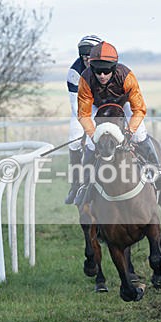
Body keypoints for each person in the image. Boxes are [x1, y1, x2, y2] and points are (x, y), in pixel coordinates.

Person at [75, 41, 161, 204]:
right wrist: (93, 135)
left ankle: (156, 171)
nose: (102, 76)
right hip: (97, 106)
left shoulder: (126, 76)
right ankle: (85, 185)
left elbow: (139, 109)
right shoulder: (85, 79)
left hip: (123, 104)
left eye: (106, 71)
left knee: (140, 134)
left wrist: (129, 132)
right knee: (91, 145)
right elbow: (83, 114)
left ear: (113, 68)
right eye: (97, 71)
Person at [63, 35, 102, 204]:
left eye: (89, 56)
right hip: (83, 108)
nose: (86, 60)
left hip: (106, 106)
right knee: (73, 139)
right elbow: (76, 106)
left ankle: (149, 168)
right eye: (83, 56)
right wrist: (87, 128)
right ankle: (76, 183)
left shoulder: (106, 65)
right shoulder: (74, 72)